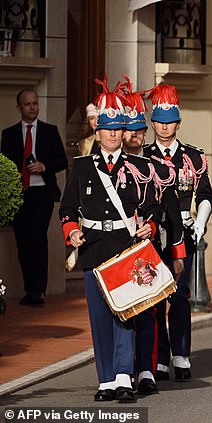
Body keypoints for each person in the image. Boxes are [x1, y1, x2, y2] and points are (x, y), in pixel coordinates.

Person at [59, 79, 161, 403]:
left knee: (125, 313)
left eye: (118, 129)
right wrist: (72, 232)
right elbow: (67, 209)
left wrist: (151, 226)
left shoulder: (138, 166)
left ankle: (123, 377)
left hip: (125, 247)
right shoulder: (82, 167)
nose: (114, 134)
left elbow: (152, 207)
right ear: (98, 132)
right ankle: (105, 380)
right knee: (100, 316)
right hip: (92, 249)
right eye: (108, 129)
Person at [144, 84, 212, 381]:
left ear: (178, 122)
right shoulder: (144, 157)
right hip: (151, 234)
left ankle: (181, 354)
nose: (163, 126)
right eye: (158, 121)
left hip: (184, 231)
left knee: (180, 295)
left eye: (169, 120)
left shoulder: (194, 158)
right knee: (155, 296)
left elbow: (207, 195)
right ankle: (159, 357)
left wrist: (201, 223)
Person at [119, 79, 186, 394]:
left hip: (150, 247)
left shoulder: (158, 167)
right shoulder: (107, 166)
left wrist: (178, 253)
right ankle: (124, 369)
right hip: (116, 248)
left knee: (150, 309)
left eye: (138, 130)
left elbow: (171, 214)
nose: (133, 136)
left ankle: (148, 367)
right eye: (128, 130)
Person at [1, 88, 68, 305]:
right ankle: (29, 290)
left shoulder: (50, 131)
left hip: (42, 193)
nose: (32, 108)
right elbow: (5, 166)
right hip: (20, 195)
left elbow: (62, 161)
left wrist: (44, 166)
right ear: (19, 107)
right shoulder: (9, 134)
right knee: (23, 242)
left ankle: (39, 291)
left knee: (39, 239)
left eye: (35, 104)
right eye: (28, 104)